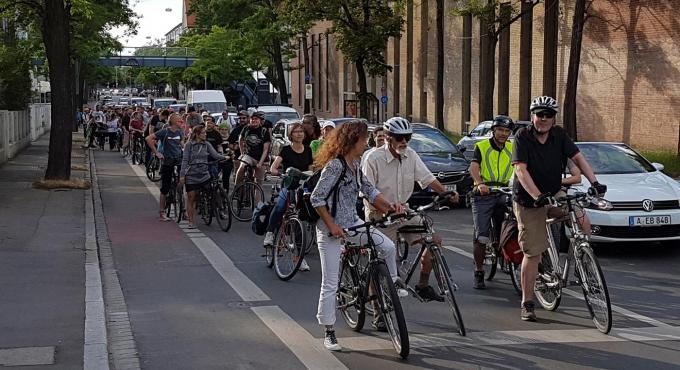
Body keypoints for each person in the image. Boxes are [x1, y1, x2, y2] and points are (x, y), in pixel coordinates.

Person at [311, 119, 404, 352]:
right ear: (353, 141)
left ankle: (391, 286)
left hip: (353, 223)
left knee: (388, 247)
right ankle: (329, 331)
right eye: (364, 140)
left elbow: (369, 191)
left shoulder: (357, 162)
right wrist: (332, 226)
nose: (368, 143)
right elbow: (316, 198)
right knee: (330, 283)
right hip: (330, 231)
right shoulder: (335, 166)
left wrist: (390, 208)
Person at [512, 96, 607, 322]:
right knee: (532, 252)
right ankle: (527, 302)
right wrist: (538, 196)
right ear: (532, 116)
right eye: (539, 114)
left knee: (582, 220)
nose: (543, 119)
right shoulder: (522, 137)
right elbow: (521, 171)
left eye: (548, 115)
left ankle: (581, 260)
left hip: (554, 192)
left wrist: (595, 183)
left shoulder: (559, 135)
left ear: (554, 118)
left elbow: (578, 158)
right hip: (529, 199)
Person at [362, 117, 459, 309]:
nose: (404, 142)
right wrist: (387, 208)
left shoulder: (411, 155)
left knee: (433, 242)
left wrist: (445, 192)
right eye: (399, 138)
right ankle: (379, 311)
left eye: (408, 137)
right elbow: (367, 192)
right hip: (379, 215)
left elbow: (427, 178)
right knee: (379, 263)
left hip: (404, 212)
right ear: (388, 137)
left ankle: (423, 285)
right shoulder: (373, 158)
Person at [468, 115, 515, 289]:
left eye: (507, 131)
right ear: (493, 130)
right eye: (500, 130)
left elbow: (519, 168)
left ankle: (505, 254)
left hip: (504, 192)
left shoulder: (512, 148)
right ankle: (479, 271)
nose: (503, 134)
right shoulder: (482, 146)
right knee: (481, 236)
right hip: (484, 193)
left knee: (512, 226)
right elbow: (473, 167)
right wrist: (480, 184)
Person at [263, 122, 314, 271]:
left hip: (302, 187)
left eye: (301, 132)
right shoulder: (286, 150)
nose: (299, 134)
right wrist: (278, 172)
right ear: (291, 135)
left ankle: (299, 258)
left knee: (301, 222)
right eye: (296, 132)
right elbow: (274, 167)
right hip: (289, 185)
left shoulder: (308, 150)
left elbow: (310, 169)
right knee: (280, 205)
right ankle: (270, 233)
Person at [180, 125, 228, 228]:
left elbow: (215, 155)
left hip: (204, 174)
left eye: (205, 133)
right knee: (191, 198)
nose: (205, 134)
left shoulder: (206, 144)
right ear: (197, 134)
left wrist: (225, 157)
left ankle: (219, 209)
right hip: (192, 175)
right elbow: (184, 160)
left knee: (215, 190)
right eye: (203, 133)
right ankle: (191, 221)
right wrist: (182, 175)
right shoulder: (189, 145)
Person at [146, 113, 185, 221]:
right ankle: (162, 211)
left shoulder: (180, 131)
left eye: (181, 121)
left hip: (178, 159)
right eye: (179, 121)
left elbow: (181, 143)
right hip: (167, 161)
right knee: (165, 188)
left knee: (183, 183)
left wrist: (186, 151)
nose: (181, 122)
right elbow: (148, 138)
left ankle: (184, 209)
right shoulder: (165, 131)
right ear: (172, 122)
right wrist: (156, 152)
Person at [235, 111, 270, 192]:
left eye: (256, 119)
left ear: (260, 120)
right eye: (252, 119)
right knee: (242, 166)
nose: (253, 120)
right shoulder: (246, 129)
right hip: (249, 156)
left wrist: (260, 163)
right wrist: (242, 152)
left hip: (261, 158)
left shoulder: (264, 131)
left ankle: (257, 204)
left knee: (258, 184)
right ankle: (237, 188)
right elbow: (240, 139)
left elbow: (265, 150)